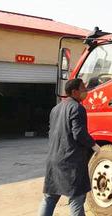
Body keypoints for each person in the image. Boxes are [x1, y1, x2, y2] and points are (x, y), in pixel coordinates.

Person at [39, 78, 100, 216]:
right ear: (74, 92)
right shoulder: (77, 108)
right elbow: (79, 133)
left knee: (49, 198)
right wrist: (94, 145)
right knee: (76, 199)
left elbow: (52, 133)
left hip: (54, 160)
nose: (86, 91)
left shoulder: (55, 109)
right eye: (83, 89)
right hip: (71, 162)